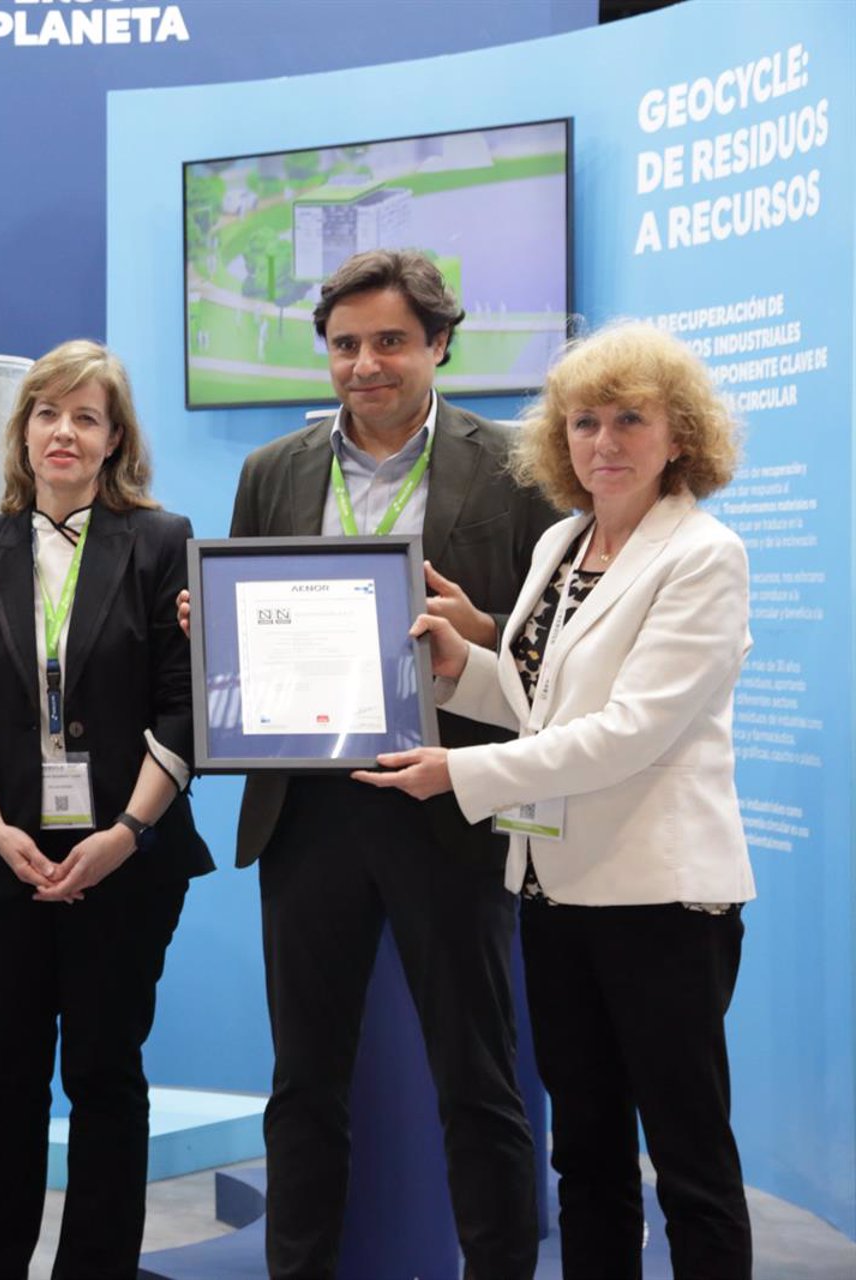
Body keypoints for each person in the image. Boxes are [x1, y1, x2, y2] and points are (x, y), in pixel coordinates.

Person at [354, 321, 754, 1278]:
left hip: (662, 902)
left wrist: (462, 775)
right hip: (555, 890)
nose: (604, 442)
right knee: (584, 1154)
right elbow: (544, 704)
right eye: (583, 422)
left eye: (630, 420)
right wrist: (459, 668)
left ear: (679, 434)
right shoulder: (563, 543)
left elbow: (630, 730)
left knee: (690, 1164)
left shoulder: (704, 554)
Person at [218, 249, 560, 1278]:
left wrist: (483, 628)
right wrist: (217, 630)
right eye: (345, 344)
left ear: (439, 344)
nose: (365, 363)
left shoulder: (516, 466)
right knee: (303, 1082)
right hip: (307, 812)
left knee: (480, 1079)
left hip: (451, 801)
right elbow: (242, 638)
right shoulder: (272, 470)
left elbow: (554, 648)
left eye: (390, 341)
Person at [0, 339, 210, 1278]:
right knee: (4, 1079)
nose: (64, 432)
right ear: (24, 430)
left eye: (87, 417)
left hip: (128, 859)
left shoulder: (162, 542)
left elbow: (187, 705)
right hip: (4, 857)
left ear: (114, 438)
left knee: (104, 1076)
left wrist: (125, 834)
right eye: (48, 412)